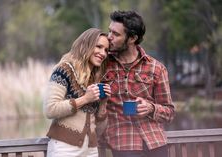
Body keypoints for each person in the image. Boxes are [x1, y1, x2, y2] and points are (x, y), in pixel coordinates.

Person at [100, 10, 175, 157]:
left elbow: (170, 113)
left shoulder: (156, 68)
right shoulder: (102, 64)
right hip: (122, 144)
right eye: (109, 32)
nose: (109, 37)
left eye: (116, 34)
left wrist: (150, 108)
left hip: (155, 143)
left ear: (132, 38)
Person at [43, 28, 111, 157]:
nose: (103, 53)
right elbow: (50, 109)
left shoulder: (96, 80)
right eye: (99, 47)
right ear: (86, 45)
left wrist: (103, 104)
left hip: (91, 150)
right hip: (64, 148)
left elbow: (100, 131)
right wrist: (85, 99)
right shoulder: (64, 70)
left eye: (106, 50)